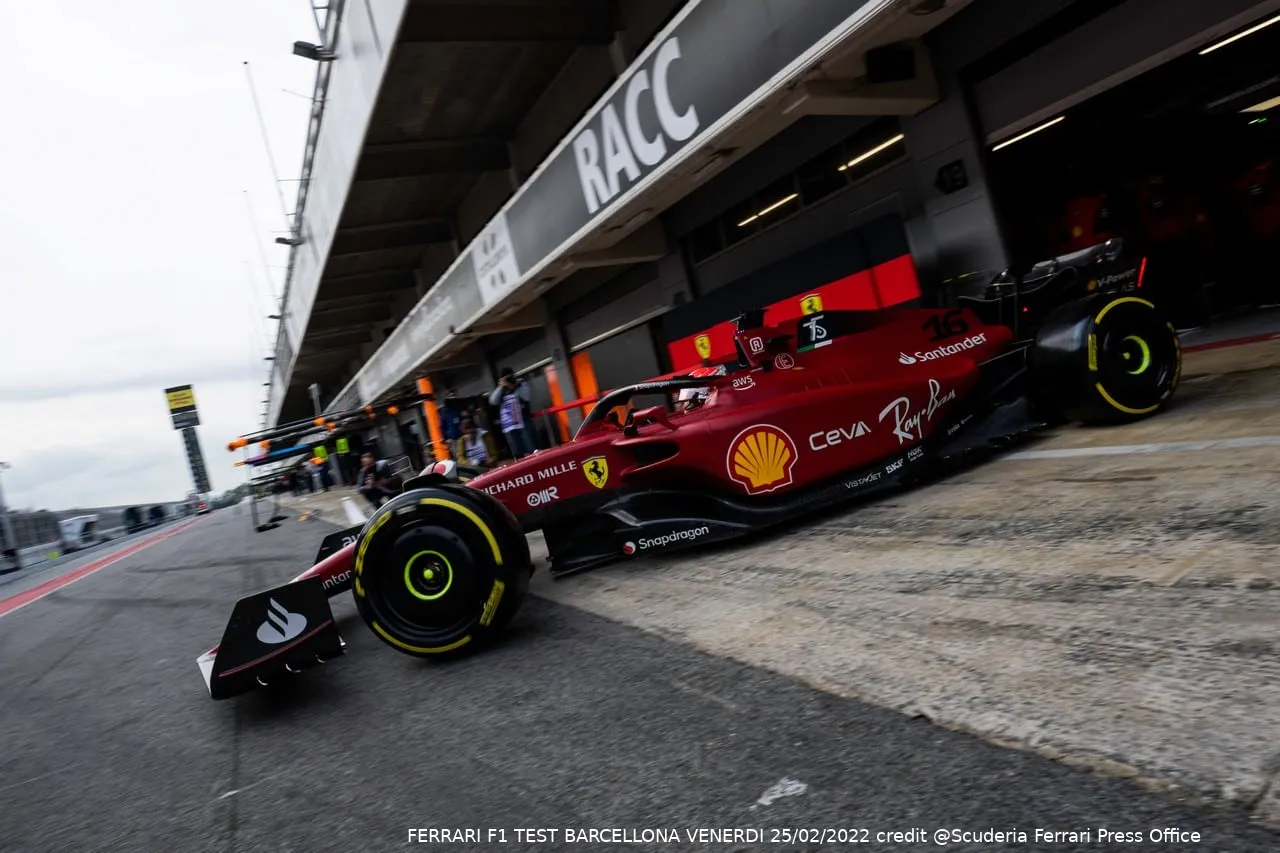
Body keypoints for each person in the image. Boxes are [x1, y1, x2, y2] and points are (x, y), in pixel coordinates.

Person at [488, 367, 534, 459]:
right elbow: (493, 401)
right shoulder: (501, 389)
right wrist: (501, 387)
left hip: (523, 420)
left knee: (530, 446)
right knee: (517, 450)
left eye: (509, 377)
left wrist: (514, 386)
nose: (508, 380)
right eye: (505, 378)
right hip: (510, 424)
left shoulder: (520, 383)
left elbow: (527, 397)